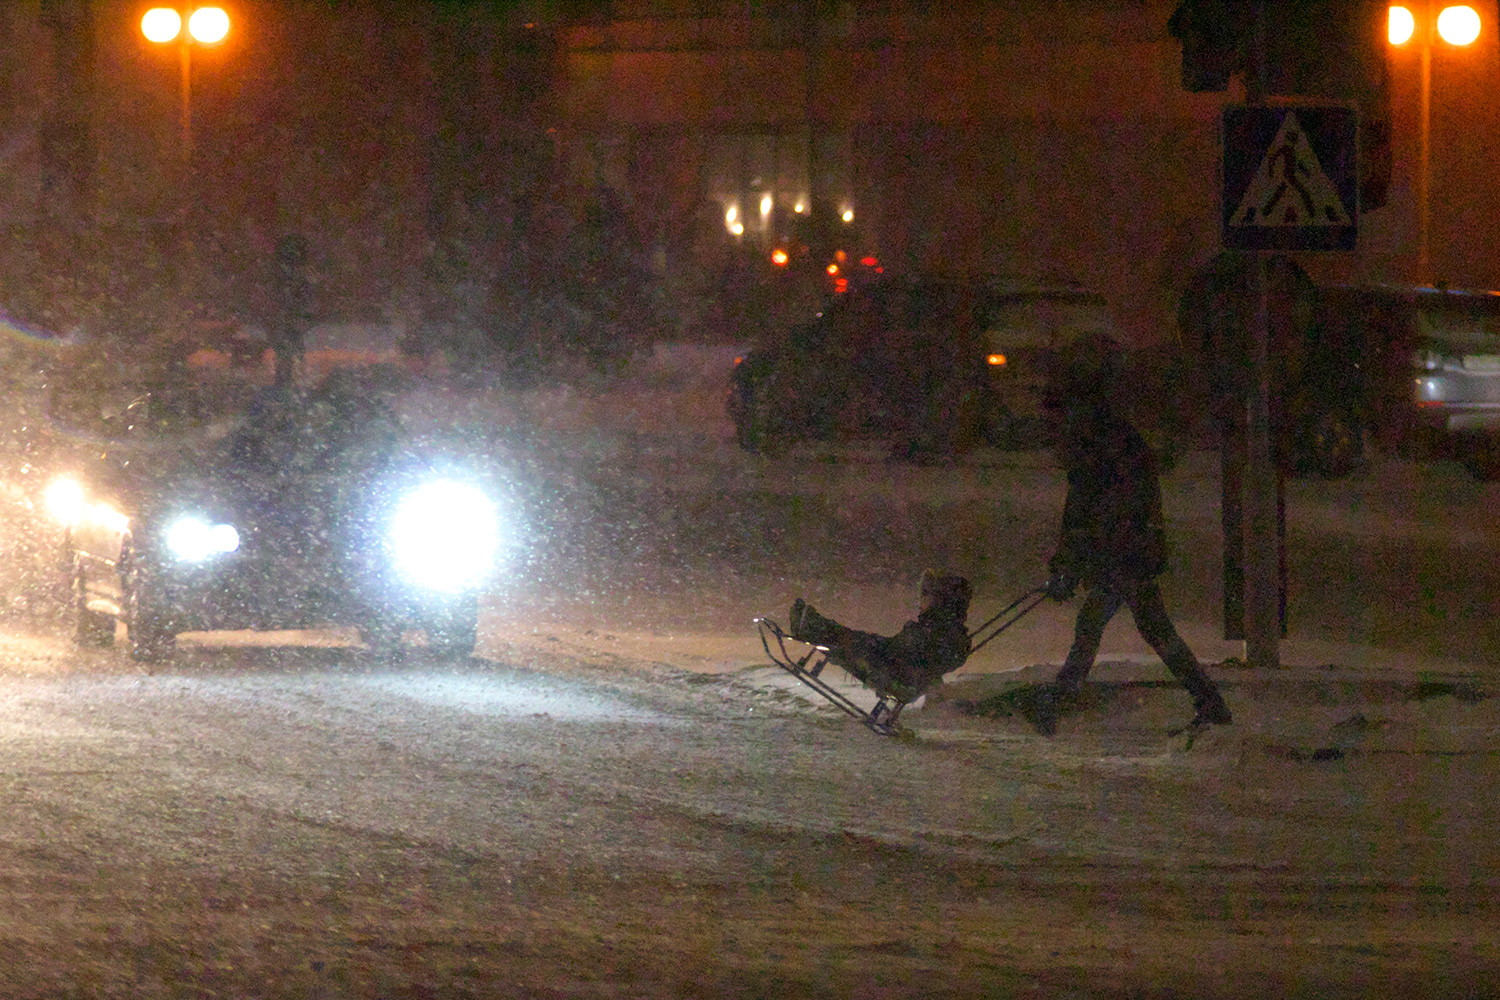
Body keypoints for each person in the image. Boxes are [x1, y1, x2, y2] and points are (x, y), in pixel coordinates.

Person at [1037, 355, 1231, 735]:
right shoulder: (1114, 438)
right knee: (1128, 625)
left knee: (1122, 625)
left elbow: (1088, 511)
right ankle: (1208, 701)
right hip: (1131, 549)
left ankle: (1061, 699)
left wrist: (1072, 561)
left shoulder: (1095, 446)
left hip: (1122, 553)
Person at [787, 569, 973, 704]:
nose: (921, 600)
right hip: (897, 674)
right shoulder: (946, 632)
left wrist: (873, 647)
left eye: (926, 595)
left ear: (940, 600)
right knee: (860, 640)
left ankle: (813, 627)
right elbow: (918, 660)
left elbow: (904, 654)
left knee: (853, 642)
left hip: (894, 678)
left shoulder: (936, 632)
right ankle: (815, 626)